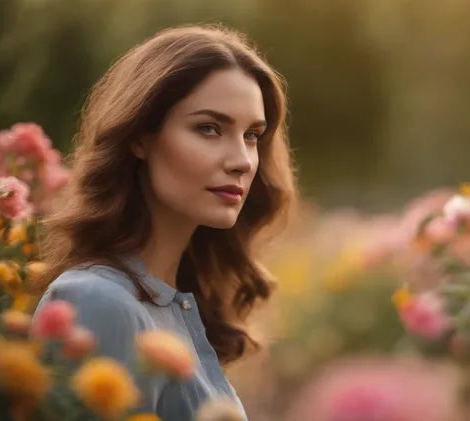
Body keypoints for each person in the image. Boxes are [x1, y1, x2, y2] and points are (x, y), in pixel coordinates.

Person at [32, 24, 297, 420]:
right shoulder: (97, 302)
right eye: (209, 128)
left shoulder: (177, 307)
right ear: (141, 137)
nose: (242, 160)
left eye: (252, 135)